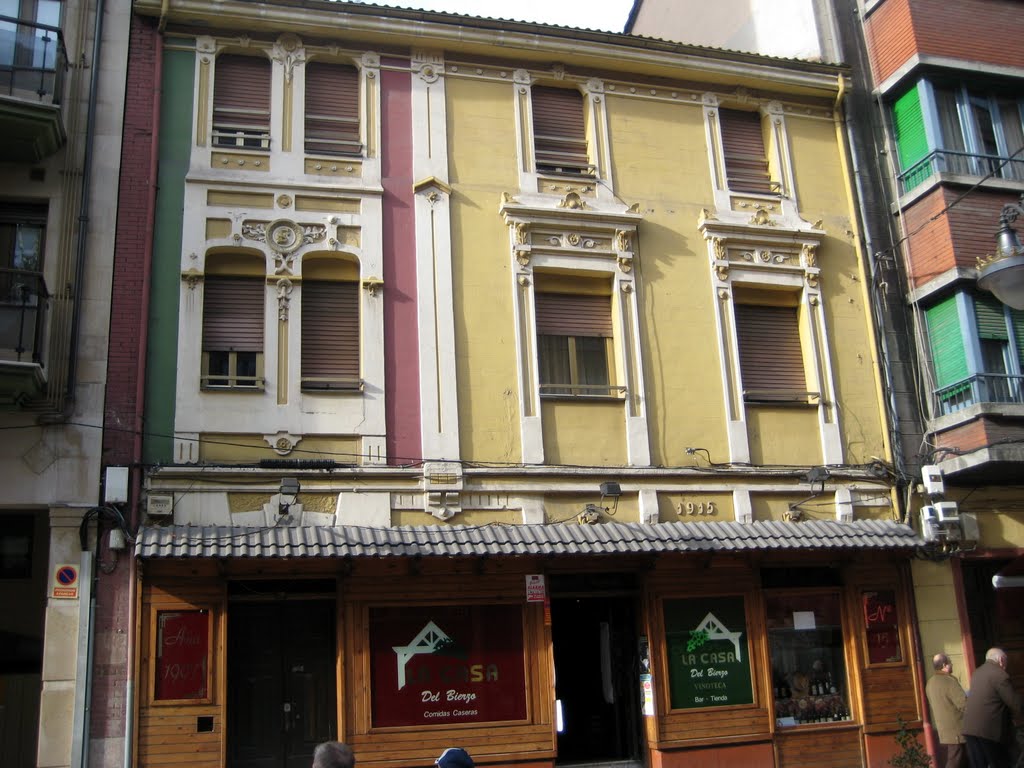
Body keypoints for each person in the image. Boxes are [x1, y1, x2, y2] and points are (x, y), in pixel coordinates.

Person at [962, 648, 1022, 768]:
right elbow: (1014, 703)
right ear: (1000, 659)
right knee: (1001, 763)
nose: (1006, 664)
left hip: (970, 729)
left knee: (979, 765)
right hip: (989, 730)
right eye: (1006, 661)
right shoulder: (1000, 674)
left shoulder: (977, 672)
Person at [925, 652, 967, 768]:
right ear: (945, 665)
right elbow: (964, 704)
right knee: (955, 760)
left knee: (962, 759)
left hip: (943, 729)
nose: (952, 665)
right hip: (957, 729)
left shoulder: (930, 683)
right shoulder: (949, 681)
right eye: (950, 663)